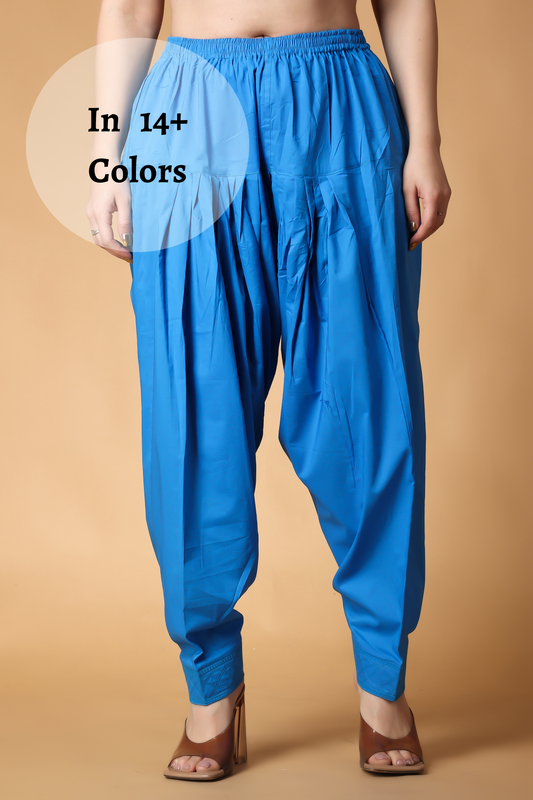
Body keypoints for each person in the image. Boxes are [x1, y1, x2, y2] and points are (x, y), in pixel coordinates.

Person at [86, 0, 451, 780]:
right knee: (194, 415)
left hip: (338, 103)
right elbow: (127, 10)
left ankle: (382, 685)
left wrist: (424, 139)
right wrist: (106, 156)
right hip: (188, 108)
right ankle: (211, 688)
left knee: (369, 410)